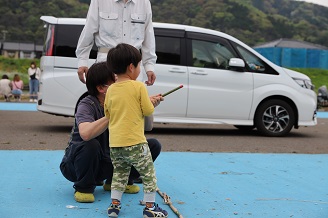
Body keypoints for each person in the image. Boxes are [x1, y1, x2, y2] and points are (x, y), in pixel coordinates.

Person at [59, 62, 163, 204]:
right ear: (101, 88)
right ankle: (84, 187)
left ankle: (119, 182)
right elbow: (85, 134)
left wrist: (146, 105)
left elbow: (146, 128)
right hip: (76, 166)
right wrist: (114, 114)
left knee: (152, 145)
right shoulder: (87, 104)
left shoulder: (124, 101)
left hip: (109, 160)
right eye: (115, 81)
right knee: (91, 145)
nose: (120, 84)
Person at [105, 43, 167, 218]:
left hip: (116, 144)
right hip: (135, 143)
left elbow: (108, 112)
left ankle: (114, 206)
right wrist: (153, 102)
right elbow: (147, 110)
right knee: (149, 175)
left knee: (119, 175)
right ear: (131, 67)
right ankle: (150, 208)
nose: (139, 69)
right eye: (139, 65)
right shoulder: (139, 86)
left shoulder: (110, 90)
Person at [76, 0, 157, 86]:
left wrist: (149, 67)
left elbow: (148, 35)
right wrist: (82, 62)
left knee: (132, 97)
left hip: (133, 65)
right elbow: (89, 29)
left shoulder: (144, 2)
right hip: (106, 63)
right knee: (106, 97)